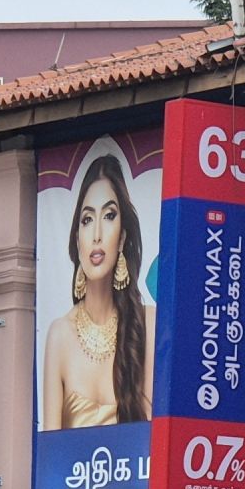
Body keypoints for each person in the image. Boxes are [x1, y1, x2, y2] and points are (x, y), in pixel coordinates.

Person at [41, 153, 153, 430]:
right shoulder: (60, 335)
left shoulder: (148, 323)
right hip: (71, 473)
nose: (97, 235)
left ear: (123, 236)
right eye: (87, 220)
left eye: (109, 215)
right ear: (77, 238)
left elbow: (156, 436)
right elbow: (50, 454)